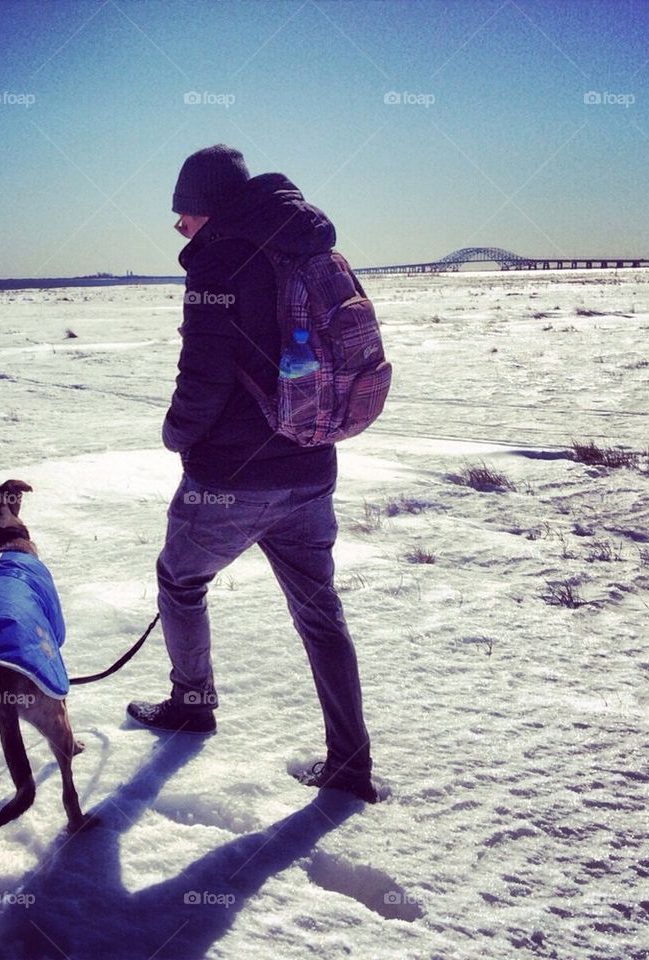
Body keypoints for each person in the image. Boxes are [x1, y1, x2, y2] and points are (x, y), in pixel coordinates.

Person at [126, 145, 380, 803]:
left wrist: (175, 433)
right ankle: (350, 765)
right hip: (310, 464)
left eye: (183, 212)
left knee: (180, 579)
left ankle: (192, 699)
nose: (178, 225)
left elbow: (203, 379)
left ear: (206, 208)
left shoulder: (218, 260)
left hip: (232, 478)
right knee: (319, 610)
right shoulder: (300, 246)